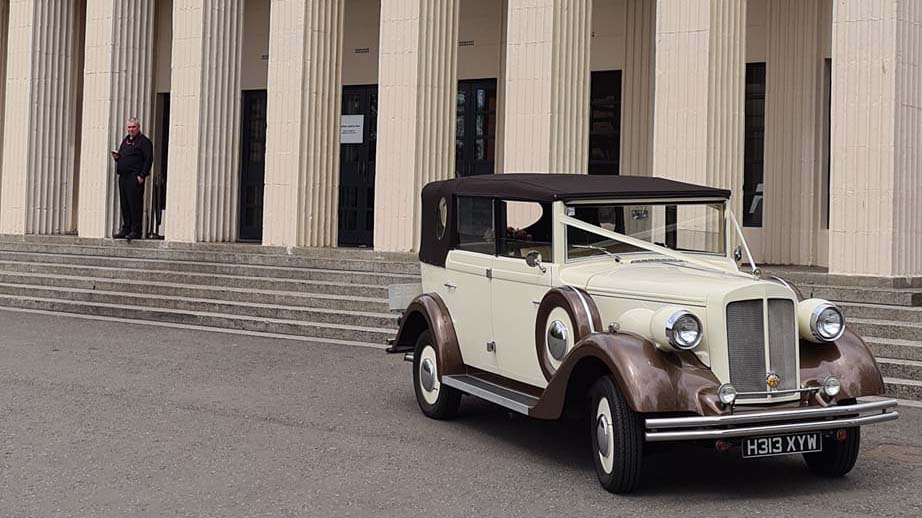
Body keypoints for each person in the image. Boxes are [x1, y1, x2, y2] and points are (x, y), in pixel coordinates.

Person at [111, 118, 153, 240]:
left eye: (133, 127)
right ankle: (126, 228)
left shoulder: (144, 142)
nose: (131, 129)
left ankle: (136, 230)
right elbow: (124, 156)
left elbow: (148, 159)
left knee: (134, 203)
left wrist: (142, 175)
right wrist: (118, 158)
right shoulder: (126, 141)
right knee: (125, 204)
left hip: (135, 177)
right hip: (123, 177)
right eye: (129, 127)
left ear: (138, 127)